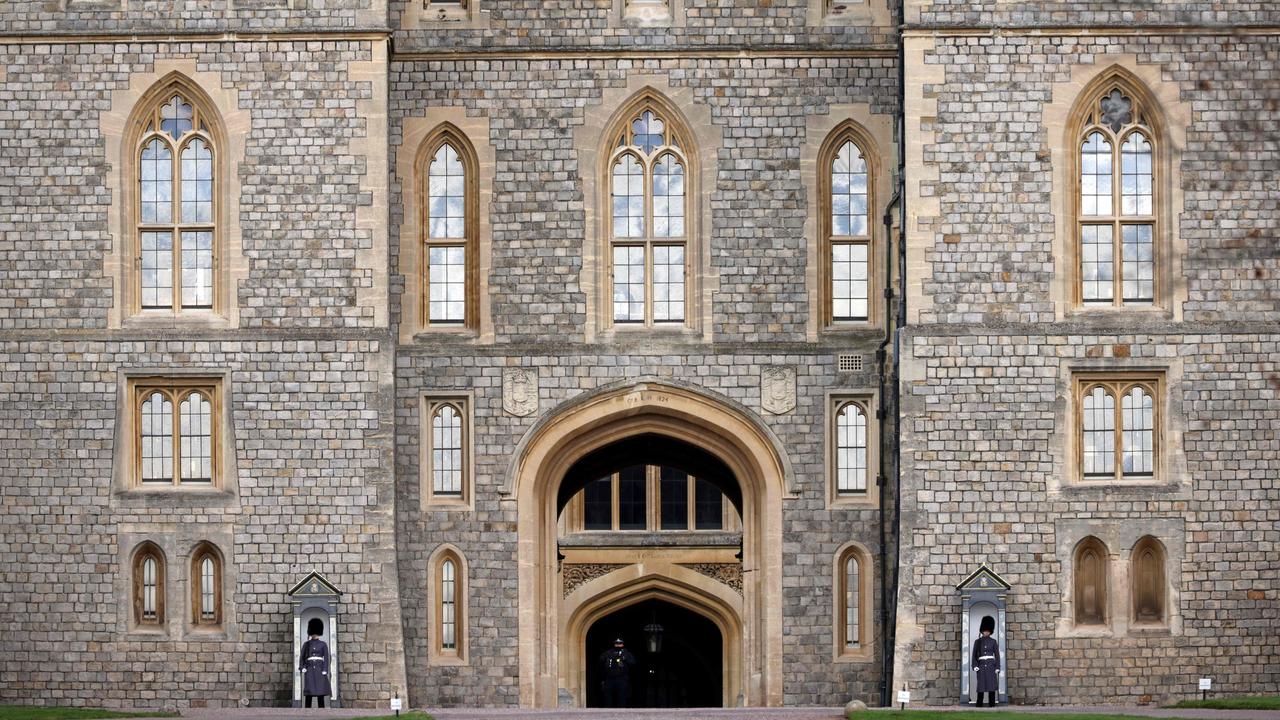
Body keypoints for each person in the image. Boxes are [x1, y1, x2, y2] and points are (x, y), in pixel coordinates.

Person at [300, 618, 332, 708]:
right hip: (309, 670)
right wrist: (302, 667)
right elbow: (302, 657)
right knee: (309, 692)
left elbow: (327, 658)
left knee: (320, 692)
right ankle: (307, 711)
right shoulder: (307, 644)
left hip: (320, 670)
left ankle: (321, 712)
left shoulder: (323, 644)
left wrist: (325, 669)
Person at [971, 615, 1001, 707]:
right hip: (981, 665)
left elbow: (997, 655)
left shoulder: (993, 641)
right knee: (981, 685)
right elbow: (974, 654)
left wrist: (997, 667)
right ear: (982, 630)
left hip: (991, 665)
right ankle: (979, 703)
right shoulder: (977, 641)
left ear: (990, 631)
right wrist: (975, 665)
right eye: (985, 630)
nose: (986, 632)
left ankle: (992, 704)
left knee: (991, 684)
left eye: (988, 631)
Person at [598, 637, 636, 708]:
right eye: (617, 643)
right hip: (609, 678)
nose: (618, 645)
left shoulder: (626, 653)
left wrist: (624, 659)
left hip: (622, 678)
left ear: (622, 644)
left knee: (622, 697)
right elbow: (601, 661)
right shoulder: (608, 653)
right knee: (608, 697)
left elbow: (633, 663)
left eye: (620, 643)